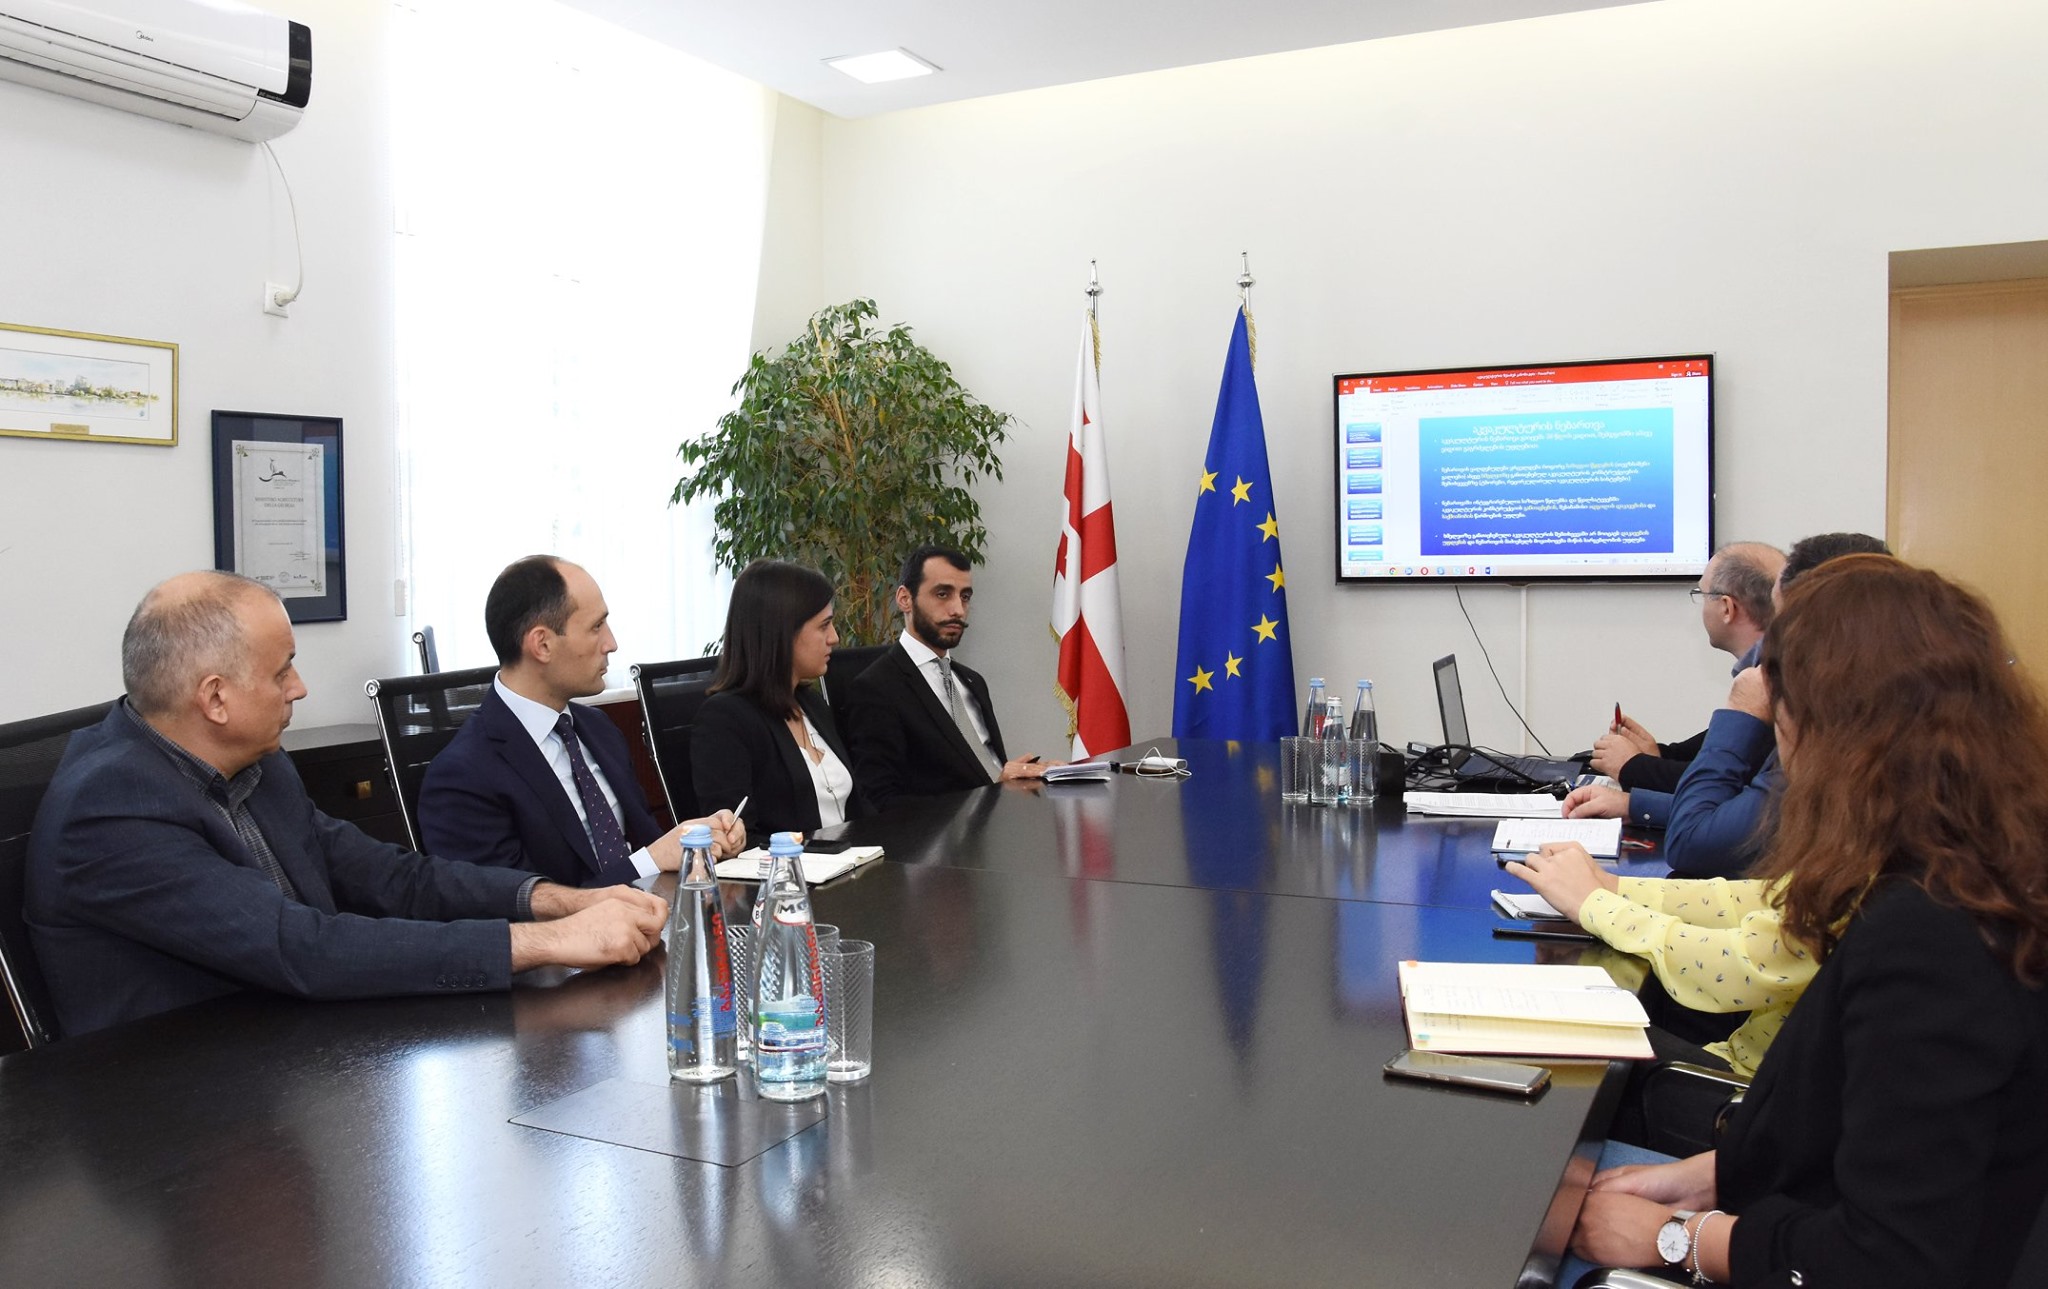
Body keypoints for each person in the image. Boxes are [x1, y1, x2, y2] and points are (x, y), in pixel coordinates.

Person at [1545, 556, 2048, 1287]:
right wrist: (1710, 1178)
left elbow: (1889, 1261)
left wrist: (1676, 1238)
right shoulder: (1972, 868)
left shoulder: (1930, 936)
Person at [26, 572, 671, 1037]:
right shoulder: (111, 809)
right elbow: (299, 947)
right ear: (215, 698)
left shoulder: (258, 763)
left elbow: (394, 877)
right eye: (282, 671)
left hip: (292, 1044)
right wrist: (550, 942)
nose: (300, 689)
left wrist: (558, 900)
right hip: (169, 1104)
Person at [1564, 535, 1891, 879]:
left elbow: (1696, 839)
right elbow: (1751, 817)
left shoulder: (1826, 728)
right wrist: (1638, 803)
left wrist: (1739, 713)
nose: (1774, 633)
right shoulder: (1886, 709)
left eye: (1781, 617)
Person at [419, 557, 742, 887]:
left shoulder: (598, 728)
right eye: (596, 627)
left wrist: (698, 841)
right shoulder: (463, 776)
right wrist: (652, 859)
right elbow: (514, 906)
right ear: (542, 644)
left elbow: (648, 845)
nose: (611, 644)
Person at [843, 545, 1057, 810]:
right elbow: (880, 804)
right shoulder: (876, 688)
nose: (958, 610)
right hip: (942, 835)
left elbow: (983, 771)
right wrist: (990, 791)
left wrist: (1035, 775)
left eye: (965, 597)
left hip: (1001, 820)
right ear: (905, 599)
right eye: (942, 594)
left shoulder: (972, 681)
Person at [691, 560, 869, 841]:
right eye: (824, 626)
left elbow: (861, 809)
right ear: (782, 632)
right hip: (791, 868)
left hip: (856, 859)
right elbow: (736, 839)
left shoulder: (812, 704)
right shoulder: (725, 720)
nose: (834, 637)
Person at [1590, 542, 1784, 792]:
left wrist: (1632, 766)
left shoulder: (1777, 683)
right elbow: (1719, 753)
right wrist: (1659, 756)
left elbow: (1725, 783)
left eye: (1701, 594)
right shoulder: (1775, 667)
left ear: (1727, 608)